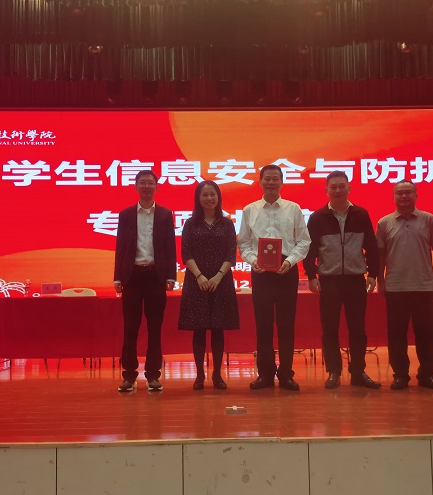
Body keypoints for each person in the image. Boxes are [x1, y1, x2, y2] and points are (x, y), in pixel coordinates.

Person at [303, 171, 381, 389]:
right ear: (326, 190)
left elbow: (371, 246)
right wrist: (311, 275)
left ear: (349, 188)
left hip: (356, 279)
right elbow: (310, 249)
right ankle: (334, 371)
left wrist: (373, 274)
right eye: (333, 187)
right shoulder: (317, 217)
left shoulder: (361, 214)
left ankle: (358, 372)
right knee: (330, 328)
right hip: (329, 280)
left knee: (358, 328)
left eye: (341, 186)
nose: (337, 190)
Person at [237, 164, 311, 391]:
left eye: (275, 179)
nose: (270, 182)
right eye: (267, 179)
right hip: (261, 273)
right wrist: (253, 260)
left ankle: (286, 374)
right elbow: (243, 242)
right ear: (260, 182)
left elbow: (304, 241)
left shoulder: (293, 208)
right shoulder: (249, 210)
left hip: (286, 271)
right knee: (263, 325)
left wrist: (290, 261)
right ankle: (265, 374)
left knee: (286, 325)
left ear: (281, 182)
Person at [376, 180, 433, 390]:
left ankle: (426, 374)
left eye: (408, 192)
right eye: (400, 193)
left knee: (426, 333)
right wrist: (380, 281)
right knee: (396, 334)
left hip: (423, 286)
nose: (404, 196)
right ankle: (400, 375)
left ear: (416, 195)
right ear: (393, 197)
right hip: (395, 287)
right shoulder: (384, 223)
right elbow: (380, 256)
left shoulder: (428, 219)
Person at [114, 170, 177, 392]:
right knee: (130, 328)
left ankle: (153, 376)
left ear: (156, 187)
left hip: (155, 276)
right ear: (136, 186)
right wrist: (117, 277)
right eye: (143, 183)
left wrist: (171, 275)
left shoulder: (165, 214)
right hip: (132, 276)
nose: (147, 186)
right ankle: (129, 376)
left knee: (155, 328)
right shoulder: (126, 215)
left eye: (150, 183)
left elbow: (170, 246)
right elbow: (121, 247)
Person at [178, 181, 239, 390]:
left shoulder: (227, 224)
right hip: (197, 281)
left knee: (218, 329)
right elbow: (186, 253)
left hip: (221, 281)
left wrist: (218, 276)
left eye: (213, 194)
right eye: (205, 195)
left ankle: (217, 374)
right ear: (198, 198)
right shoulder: (190, 224)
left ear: (218, 197)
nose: (209, 198)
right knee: (199, 329)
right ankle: (199, 375)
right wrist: (200, 276)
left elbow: (231, 254)